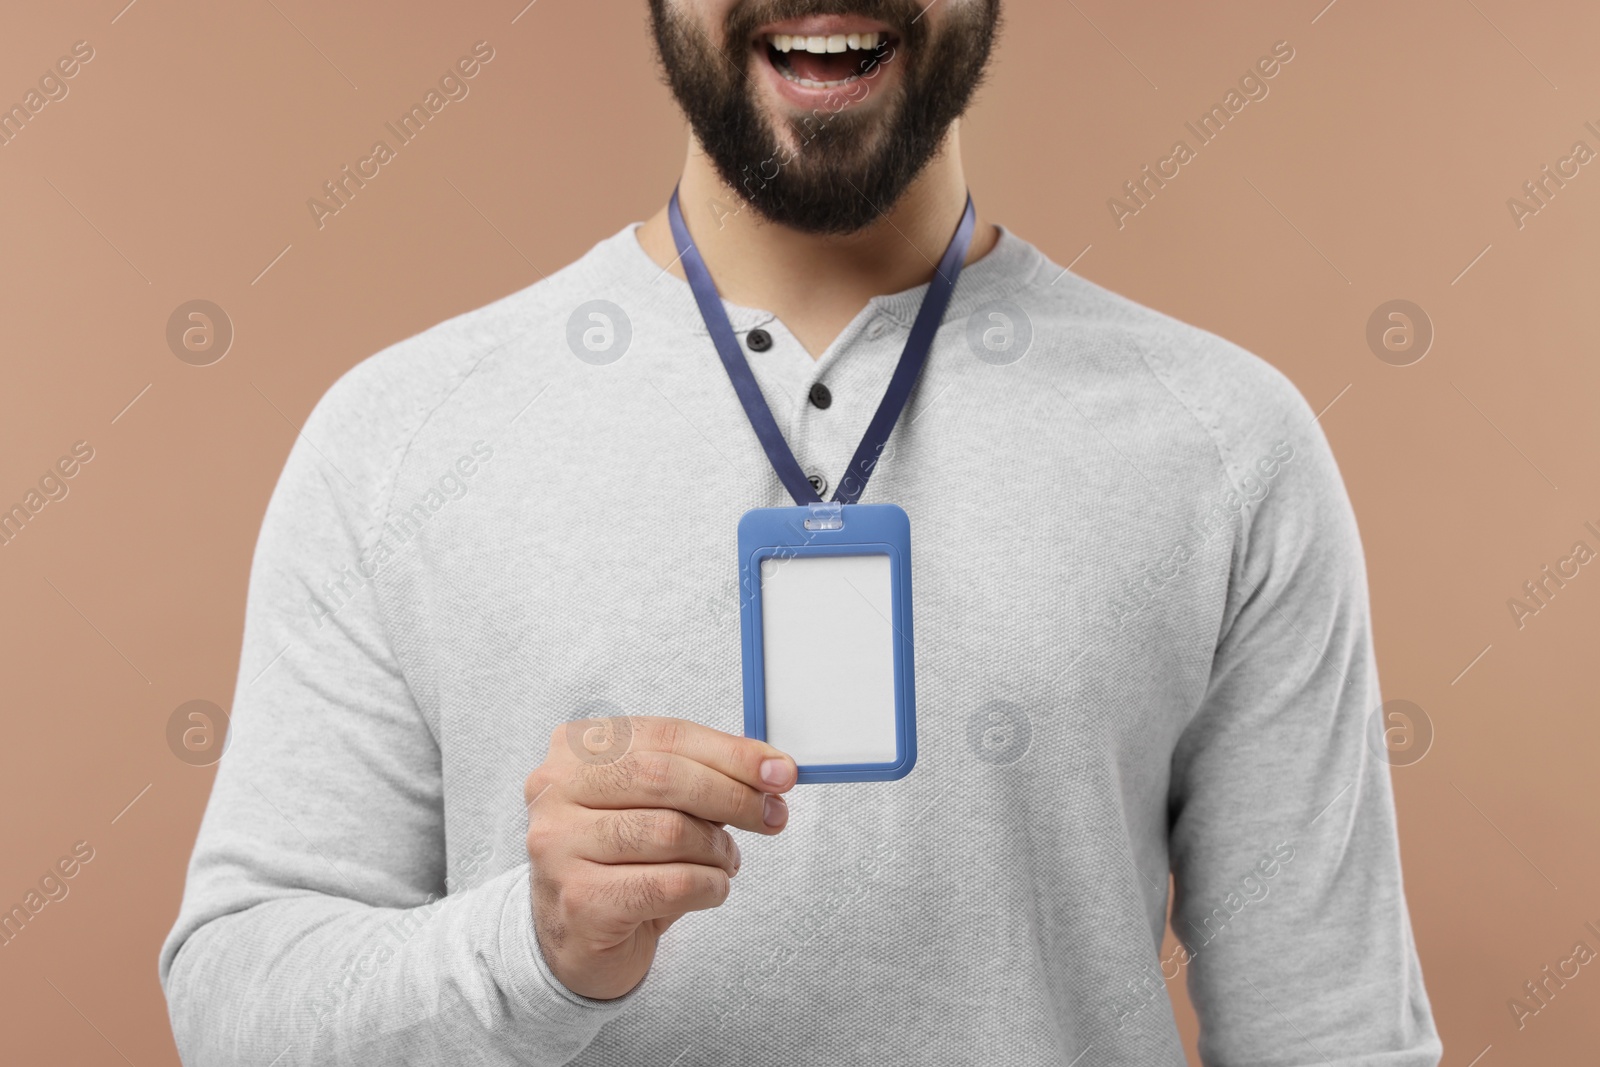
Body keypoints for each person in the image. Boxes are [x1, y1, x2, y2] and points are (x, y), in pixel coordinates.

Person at [159, 2, 1443, 1064]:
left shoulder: (1228, 446)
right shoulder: (397, 441)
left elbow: (1330, 1031)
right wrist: (530, 949)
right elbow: (236, 1000)